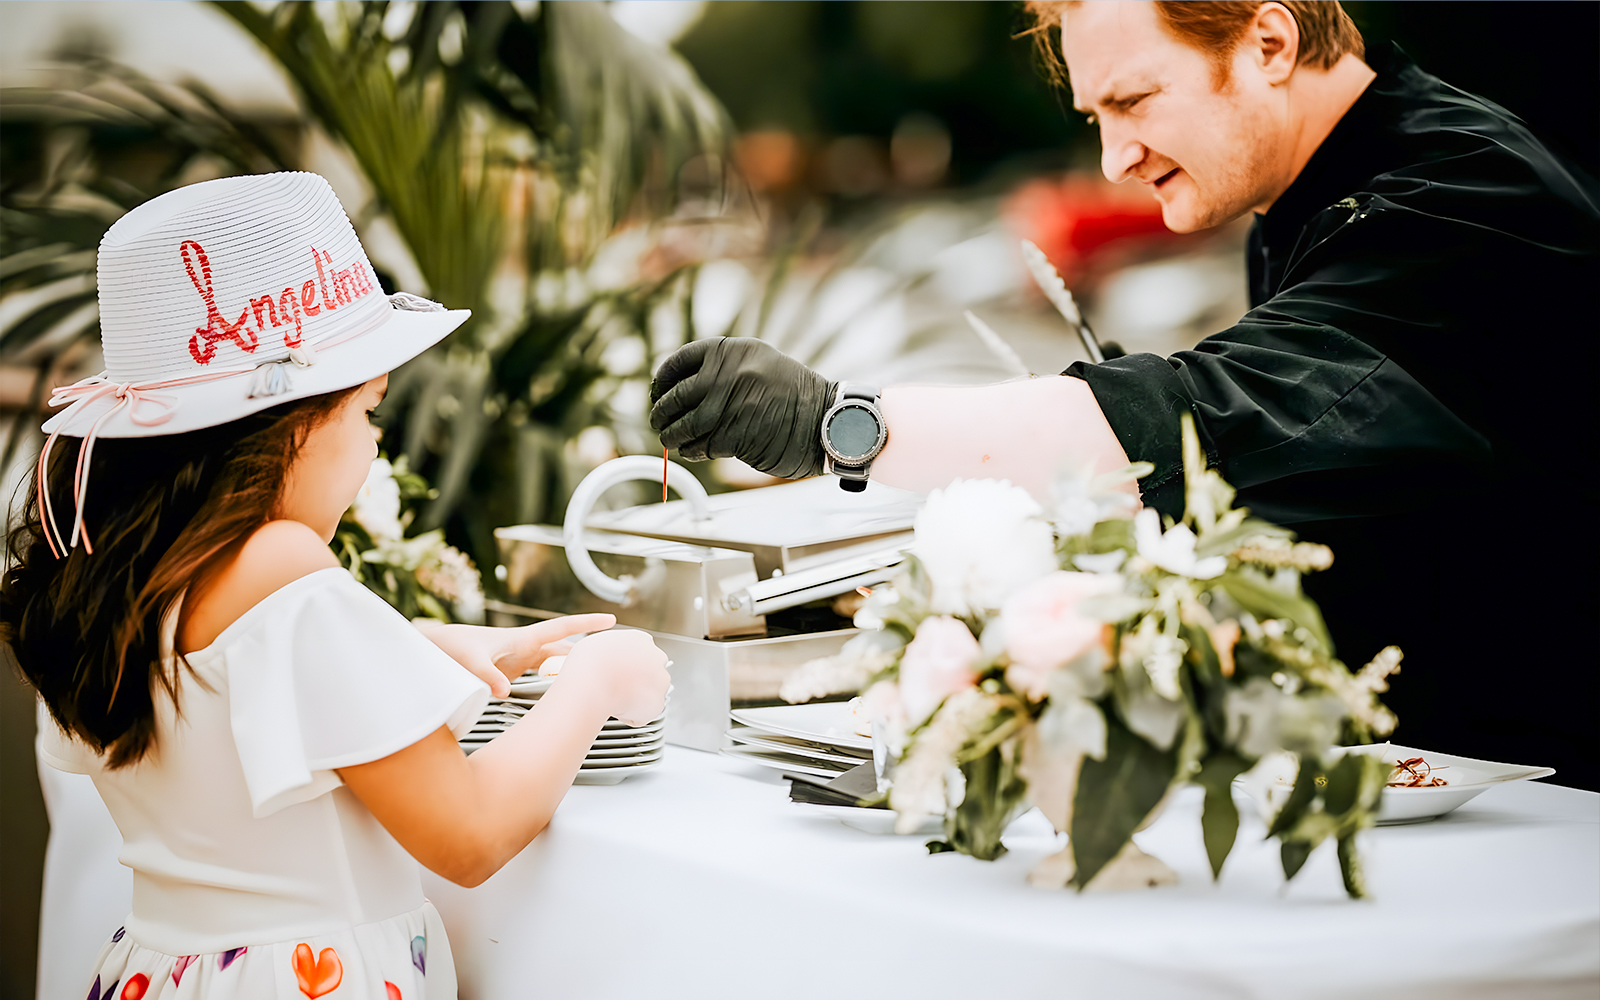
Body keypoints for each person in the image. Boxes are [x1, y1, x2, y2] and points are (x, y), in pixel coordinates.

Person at [649, 2, 1598, 788]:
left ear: (1269, 44)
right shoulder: (1303, 196)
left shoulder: (1464, 199)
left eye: (1135, 101)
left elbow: (1197, 421)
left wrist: (833, 423)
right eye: (1094, 117)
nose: (1114, 160)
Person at [0, 172, 671, 995]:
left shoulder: (124, 572)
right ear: (287, 426)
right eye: (367, 413)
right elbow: (470, 833)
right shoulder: (284, 564)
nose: (374, 446)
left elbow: (224, 690)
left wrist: (422, 646)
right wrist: (601, 679)